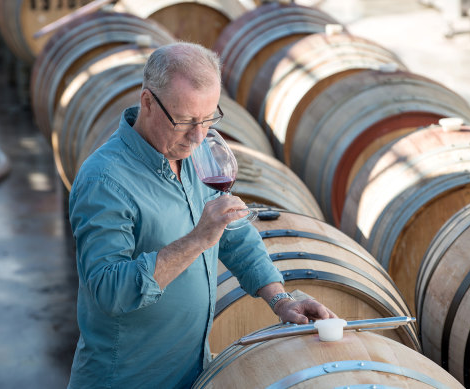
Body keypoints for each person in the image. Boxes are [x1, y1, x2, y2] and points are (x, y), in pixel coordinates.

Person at [66, 41, 336, 389]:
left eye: (208, 119)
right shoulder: (104, 180)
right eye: (184, 121)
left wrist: (281, 300)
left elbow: (234, 234)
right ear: (147, 101)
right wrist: (197, 240)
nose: (198, 136)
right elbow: (108, 291)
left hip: (193, 372)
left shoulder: (194, 155)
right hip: (127, 379)